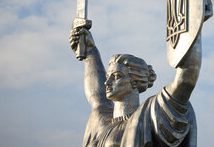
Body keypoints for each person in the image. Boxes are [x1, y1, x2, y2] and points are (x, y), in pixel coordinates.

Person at [69, 27, 201, 147]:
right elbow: (96, 94)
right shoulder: (102, 119)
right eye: (108, 77)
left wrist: (194, 26)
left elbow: (185, 80)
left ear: (134, 82)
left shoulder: (147, 115)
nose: (107, 82)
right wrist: (90, 51)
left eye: (116, 76)